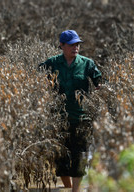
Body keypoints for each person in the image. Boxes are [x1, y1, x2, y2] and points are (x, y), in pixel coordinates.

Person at [39, 30, 102, 192]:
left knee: (79, 155)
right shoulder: (52, 63)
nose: (76, 47)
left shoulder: (87, 64)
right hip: (58, 118)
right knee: (60, 157)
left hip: (81, 117)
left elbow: (100, 83)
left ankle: (76, 190)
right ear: (61, 45)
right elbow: (33, 80)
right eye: (72, 44)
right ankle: (66, 187)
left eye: (77, 44)